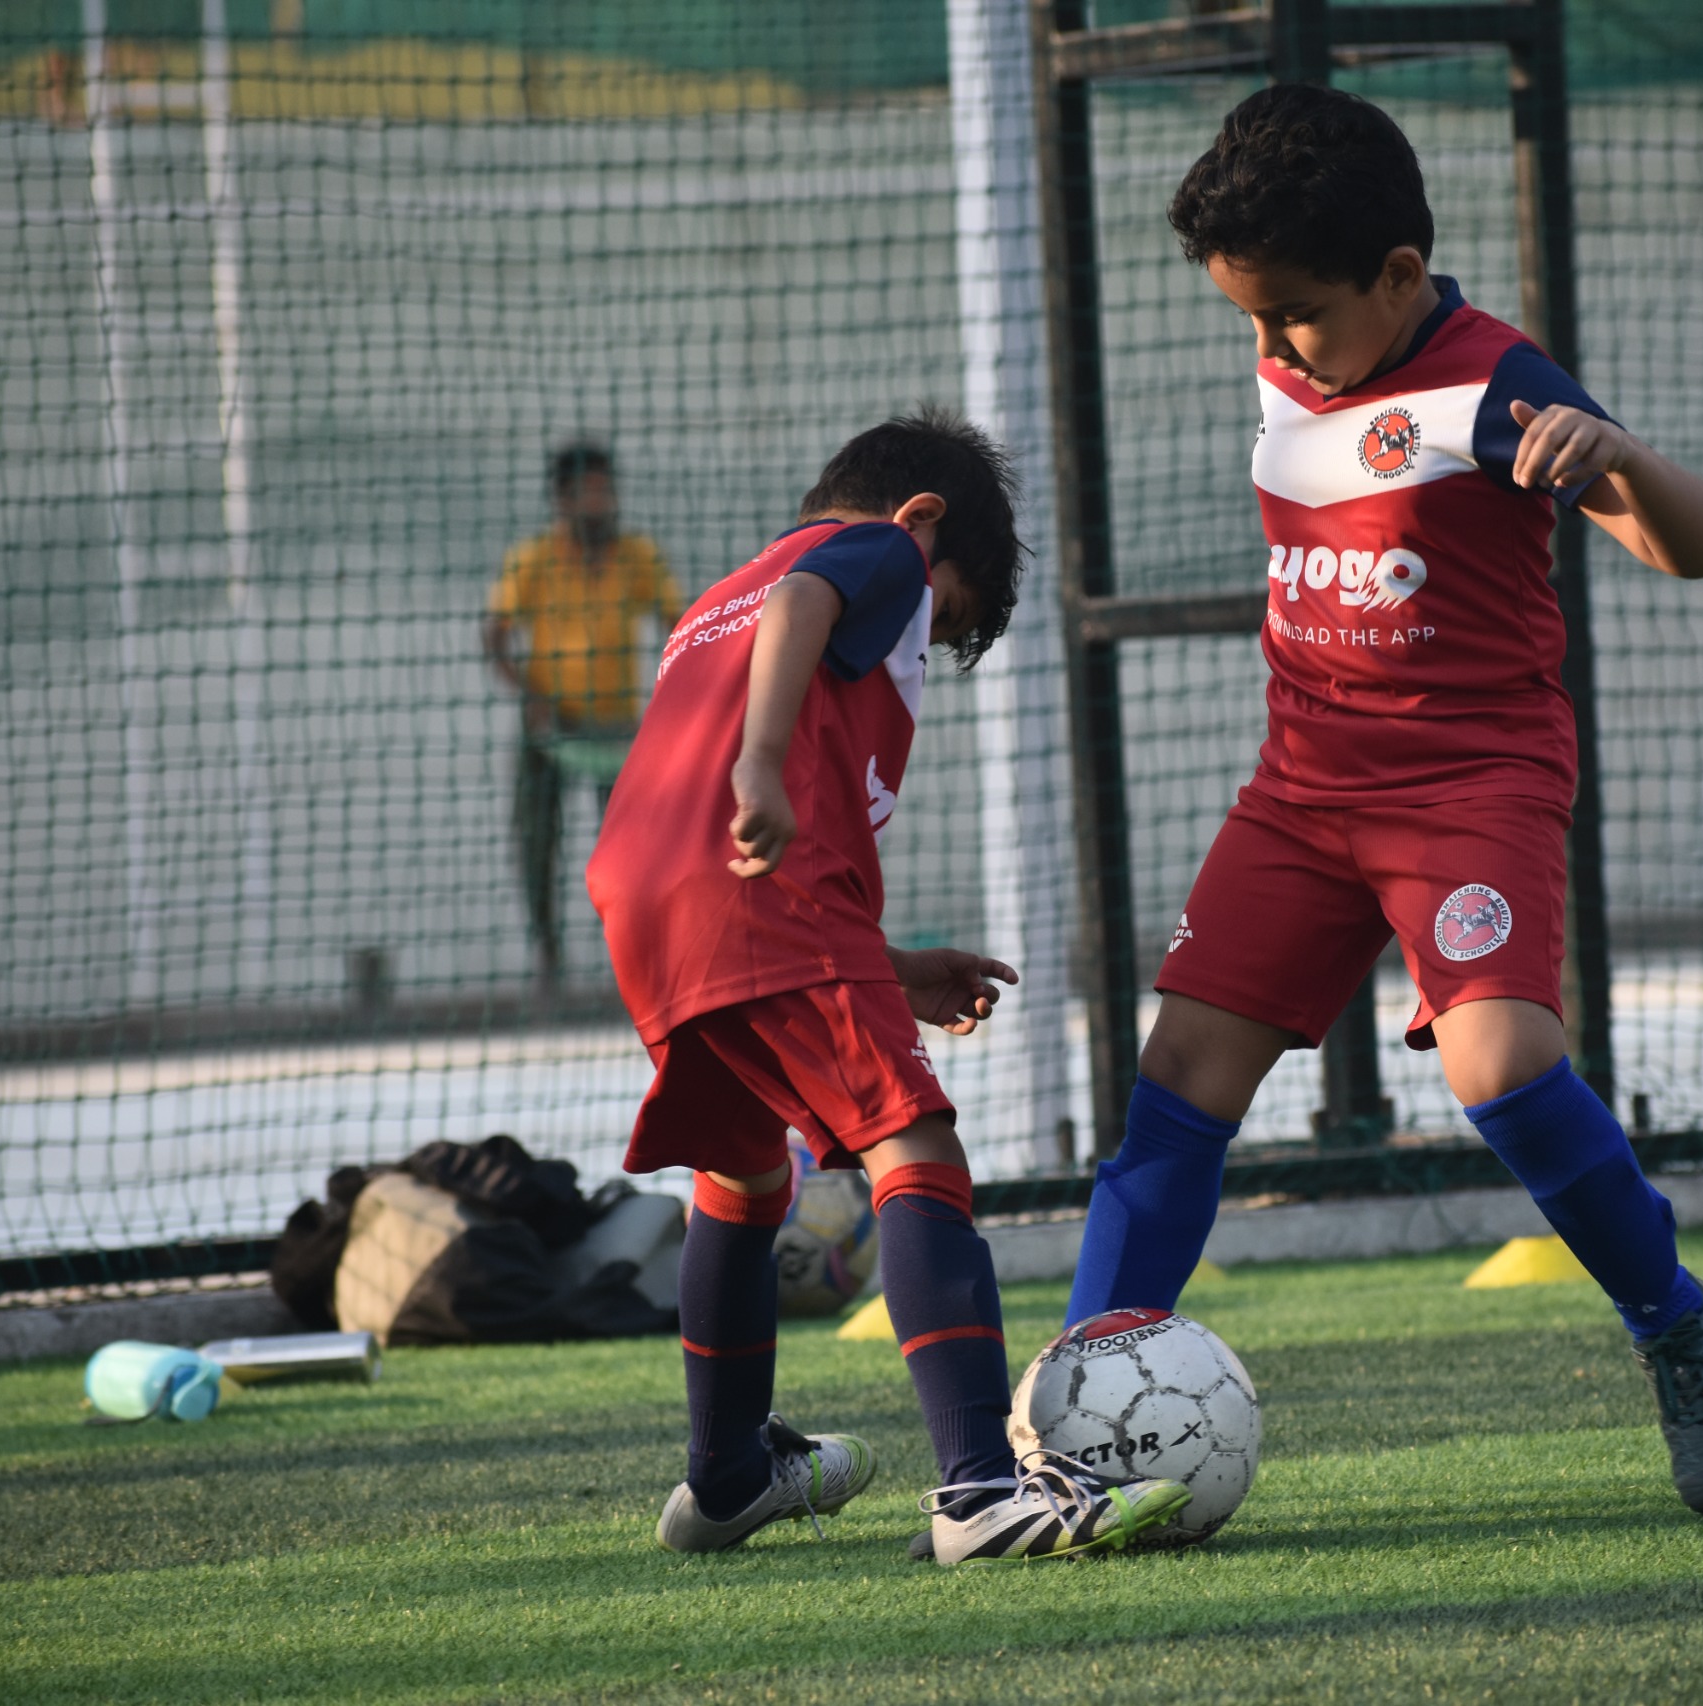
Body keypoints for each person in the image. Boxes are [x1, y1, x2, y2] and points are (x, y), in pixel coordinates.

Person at [1062, 86, 1703, 1515]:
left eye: (1293, 318)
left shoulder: (1495, 383)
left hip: (1468, 786)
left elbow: (1696, 544)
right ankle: (1077, 1416)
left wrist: (1613, 455)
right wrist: (1289, 339)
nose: (1267, 350)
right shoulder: (1304, 342)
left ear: (1397, 278)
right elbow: (1304, 383)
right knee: (1177, 1081)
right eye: (1246, 320)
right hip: (1303, 789)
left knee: (1501, 1069)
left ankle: (1676, 1322)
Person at [586, 409, 1191, 1563]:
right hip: (755, 884)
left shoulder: (720, 590)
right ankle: (978, 1490)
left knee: (745, 1168)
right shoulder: (876, 547)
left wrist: (890, 967)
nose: (924, 623)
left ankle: (722, 1477)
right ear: (922, 525)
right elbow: (806, 607)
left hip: (649, 901)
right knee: (915, 1146)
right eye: (945, 609)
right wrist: (760, 766)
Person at [484, 440, 683, 990]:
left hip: (617, 731)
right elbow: (495, 635)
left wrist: (673, 702)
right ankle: (547, 955)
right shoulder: (533, 560)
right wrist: (532, 697)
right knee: (537, 841)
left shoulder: (639, 556)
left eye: (606, 490)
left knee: (630, 851)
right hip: (549, 730)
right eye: (589, 492)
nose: (602, 502)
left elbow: (679, 623)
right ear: (563, 499)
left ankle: (637, 959)